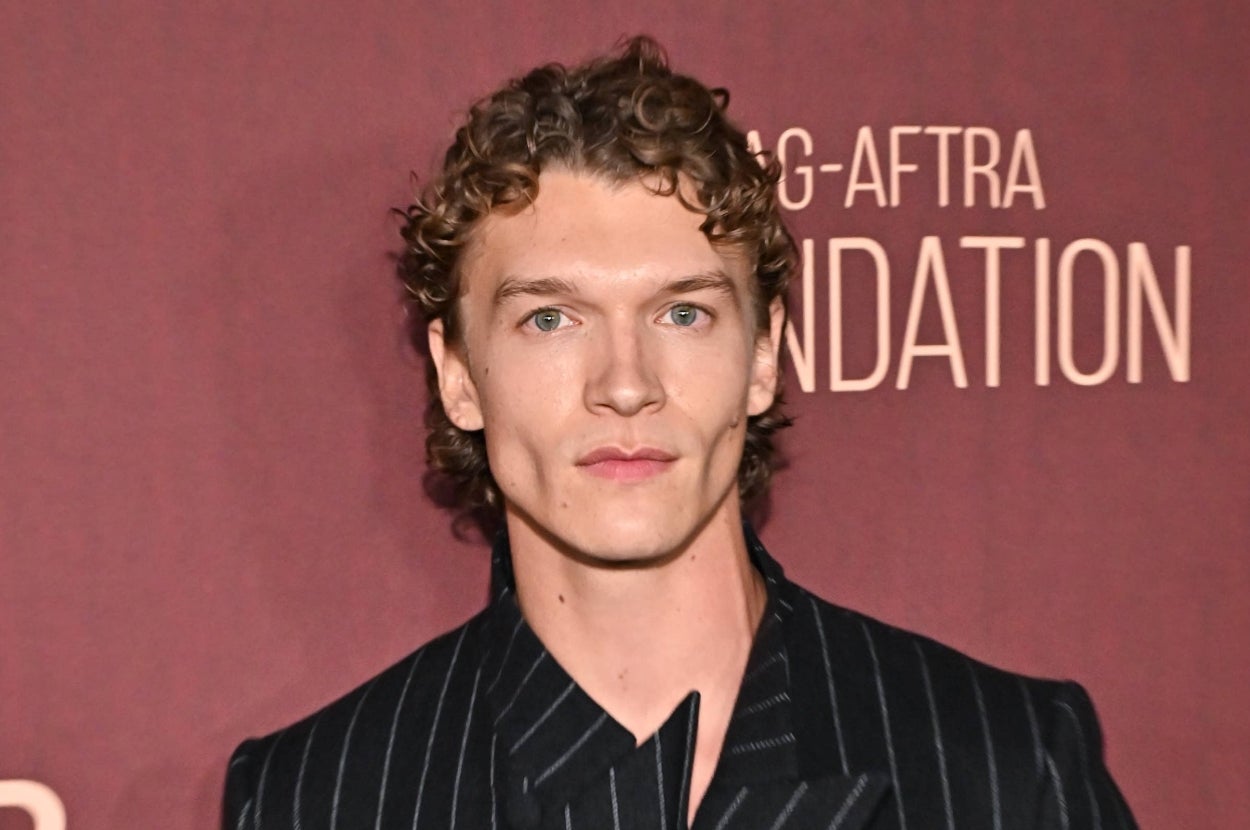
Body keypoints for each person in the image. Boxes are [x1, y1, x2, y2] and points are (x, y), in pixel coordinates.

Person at [221, 37, 1136, 829]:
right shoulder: (318, 798)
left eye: (683, 314)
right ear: (459, 374)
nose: (626, 385)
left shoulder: (1003, 765)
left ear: (764, 354)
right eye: (551, 319)